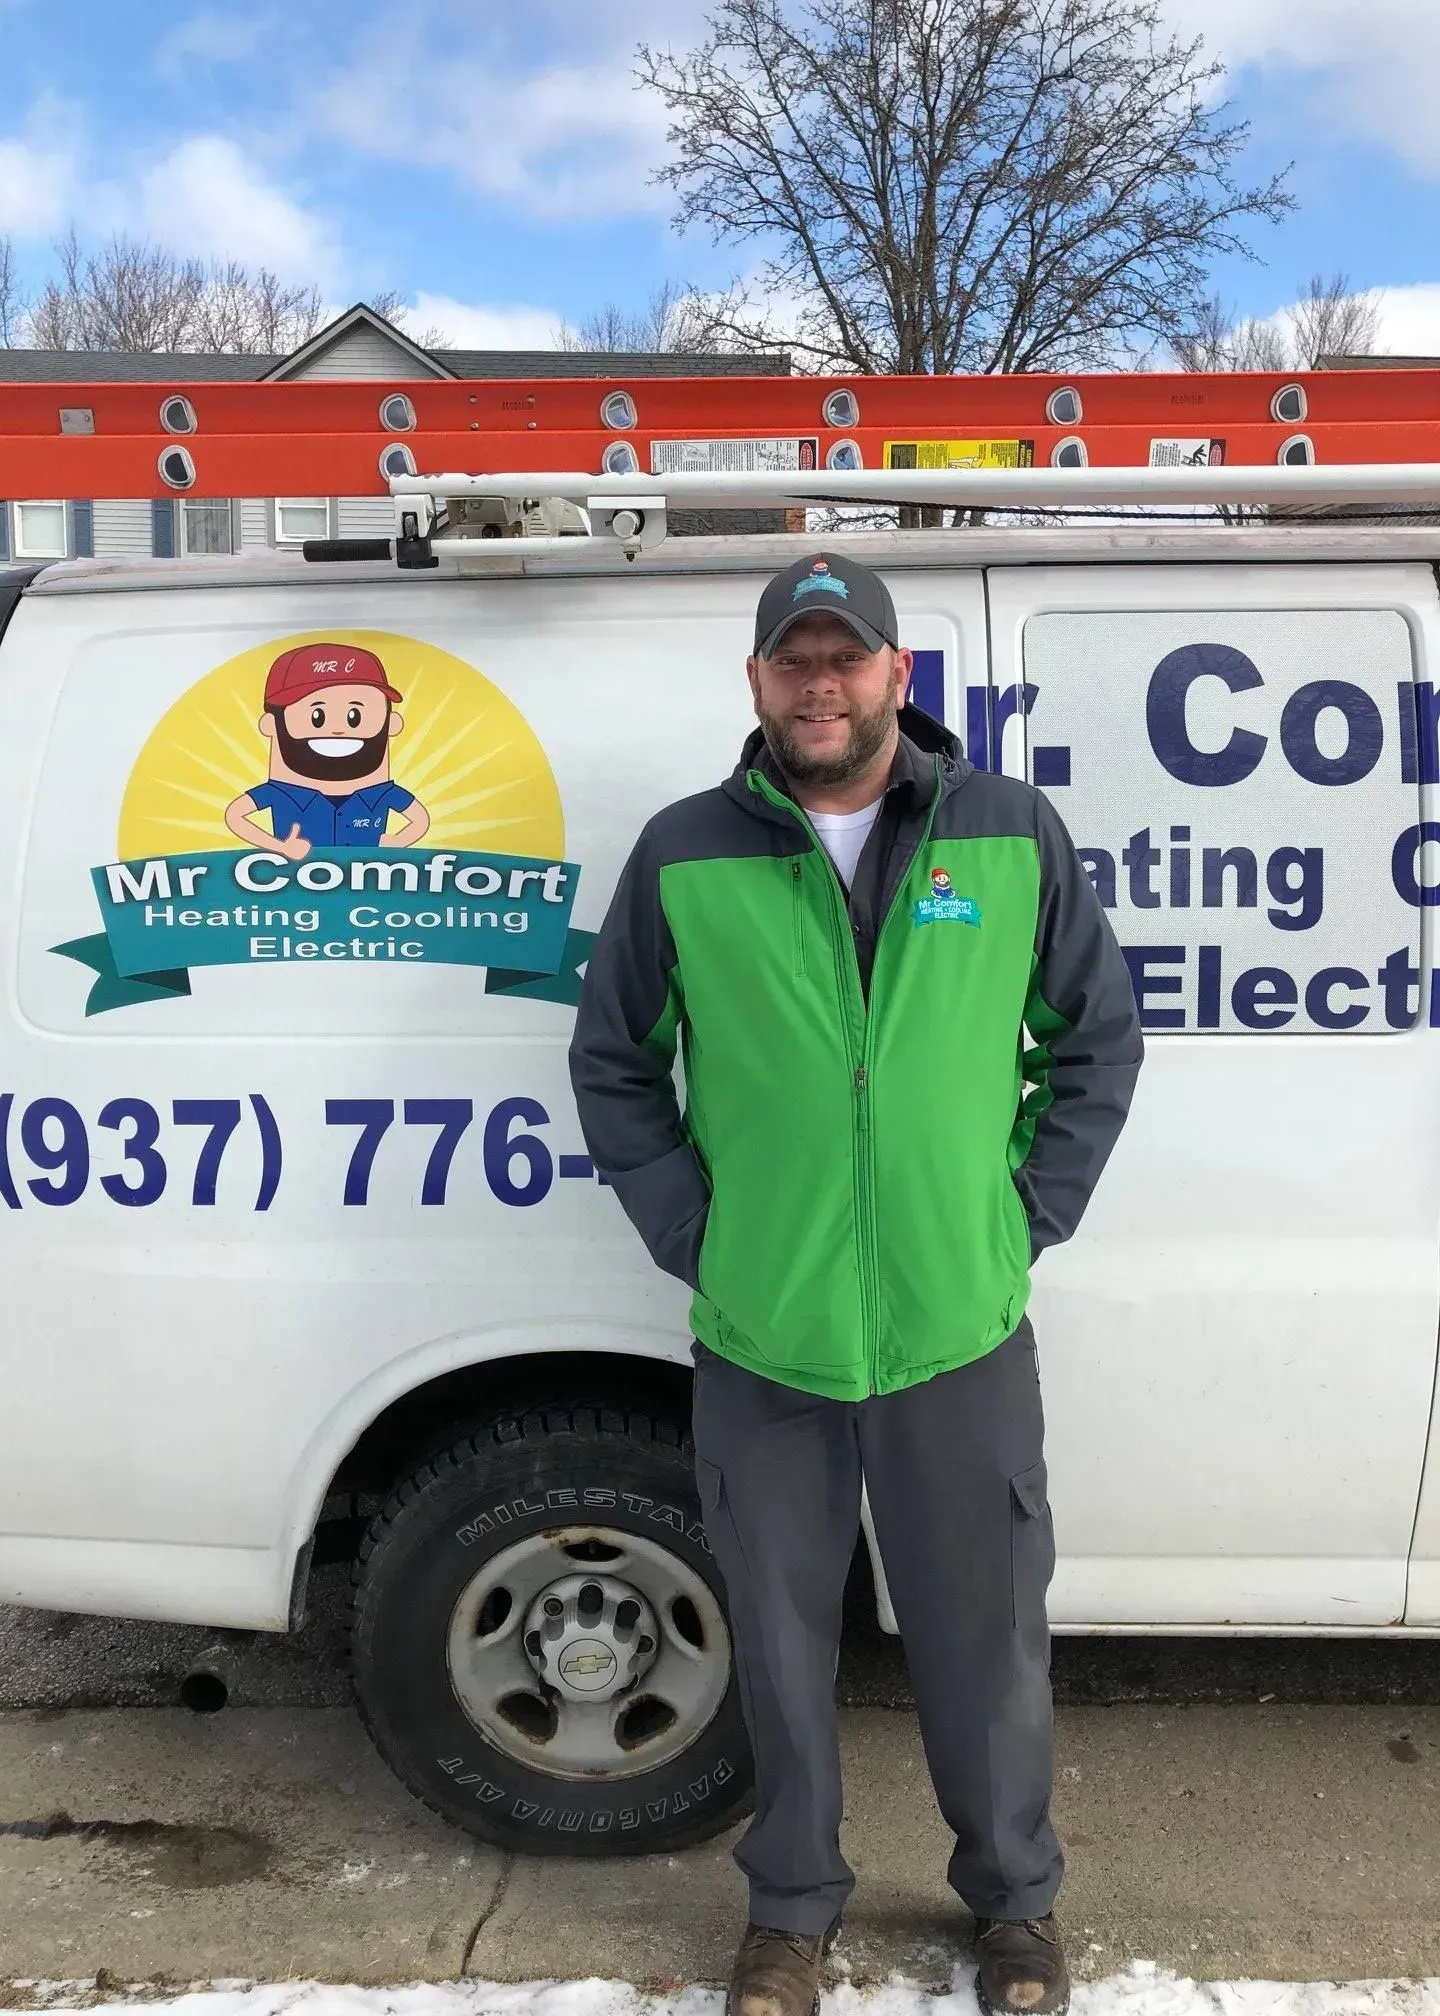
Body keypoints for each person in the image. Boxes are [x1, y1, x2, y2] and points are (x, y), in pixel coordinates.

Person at [569, 552, 1143, 2016]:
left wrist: (1020, 1215)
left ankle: (1014, 1909)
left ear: (899, 675)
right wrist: (699, 1232)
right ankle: (789, 1915)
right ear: (756, 683)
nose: (820, 685)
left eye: (847, 658)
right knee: (778, 1640)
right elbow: (614, 1063)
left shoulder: (1008, 832)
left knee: (989, 1636)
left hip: (959, 1326)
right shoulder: (688, 850)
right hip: (766, 1336)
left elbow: (1094, 1042)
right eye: (793, 661)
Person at [224, 641, 431, 859]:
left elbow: (420, 820)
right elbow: (234, 815)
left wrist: (397, 842)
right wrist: (281, 847)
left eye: (354, 716)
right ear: (271, 725)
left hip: (366, 884)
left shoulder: (380, 794)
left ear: (391, 724)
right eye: (317, 717)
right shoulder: (281, 792)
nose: (338, 730)